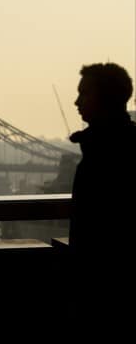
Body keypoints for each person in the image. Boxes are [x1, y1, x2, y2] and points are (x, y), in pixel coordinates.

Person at [68, 63, 136, 337]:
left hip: (103, 288)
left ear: (105, 99)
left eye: (84, 94)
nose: (76, 102)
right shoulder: (116, 144)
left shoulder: (105, 154)